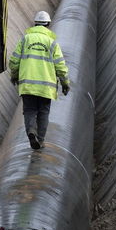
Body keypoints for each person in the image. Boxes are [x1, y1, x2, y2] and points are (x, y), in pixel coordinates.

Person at [9, 11, 70, 150]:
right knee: (43, 112)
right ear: (48, 24)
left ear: (35, 23)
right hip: (45, 87)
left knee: (30, 110)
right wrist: (65, 83)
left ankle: (31, 131)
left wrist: (14, 75)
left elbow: (14, 61)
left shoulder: (26, 39)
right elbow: (60, 65)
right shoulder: (52, 43)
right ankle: (40, 140)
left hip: (28, 86)